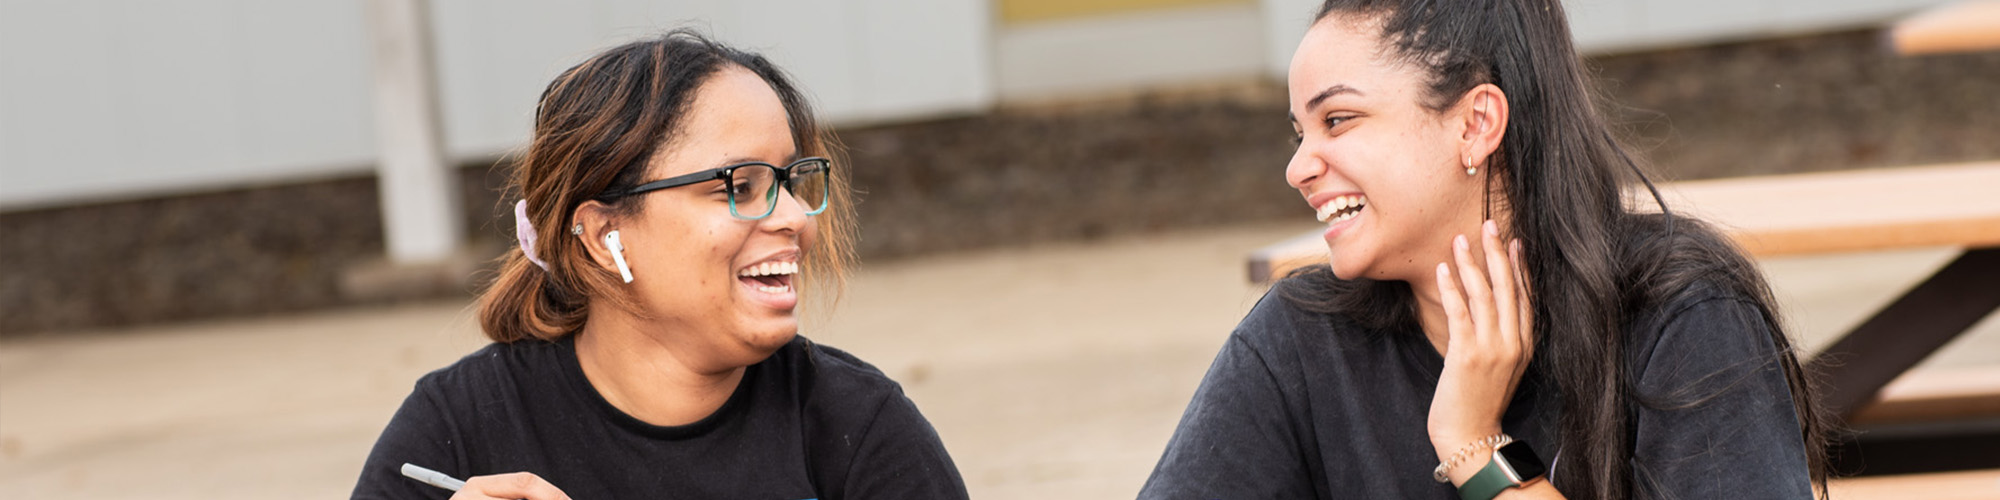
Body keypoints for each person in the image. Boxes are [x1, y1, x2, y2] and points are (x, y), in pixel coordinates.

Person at [1140, 1, 1832, 499]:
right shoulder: (1303, 337)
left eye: (1339, 120)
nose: (1299, 167)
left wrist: (1474, 446)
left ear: (1476, 123)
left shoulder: (1680, 316)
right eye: (1300, 133)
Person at [350, 30, 969, 500]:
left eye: (790, 180)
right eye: (740, 185)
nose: (796, 218)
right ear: (602, 233)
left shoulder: (856, 427)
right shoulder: (457, 429)